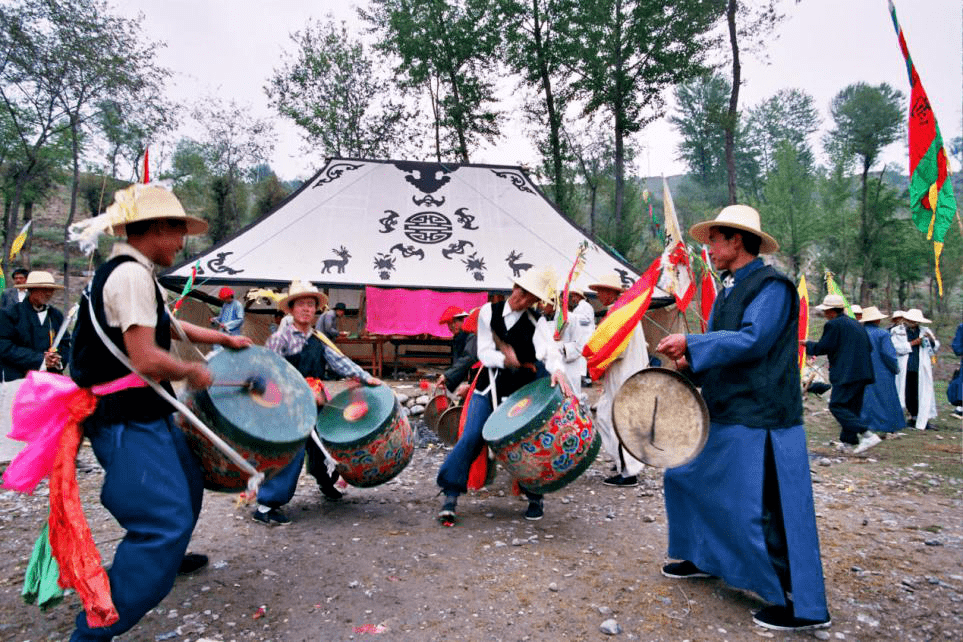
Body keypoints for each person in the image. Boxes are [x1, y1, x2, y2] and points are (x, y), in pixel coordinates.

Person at [68, 183, 252, 641]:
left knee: (188, 485)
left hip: (144, 410)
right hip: (125, 415)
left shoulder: (137, 272)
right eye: (177, 232)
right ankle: (93, 630)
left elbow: (169, 324)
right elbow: (147, 357)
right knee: (162, 522)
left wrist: (223, 339)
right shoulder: (128, 275)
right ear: (156, 228)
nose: (181, 243)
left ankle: (167, 555)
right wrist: (192, 370)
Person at [656, 204, 830, 632]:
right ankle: (704, 557)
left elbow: (753, 340)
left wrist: (693, 343)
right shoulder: (729, 289)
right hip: (727, 408)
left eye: (714, 240)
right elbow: (720, 348)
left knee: (769, 507)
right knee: (686, 477)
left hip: (764, 415)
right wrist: (687, 364)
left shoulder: (774, 287)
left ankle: (803, 605)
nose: (708, 248)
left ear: (736, 241)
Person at [436, 266, 569, 523]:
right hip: (489, 386)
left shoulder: (536, 320)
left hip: (522, 392)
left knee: (528, 441)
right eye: (524, 293)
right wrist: (506, 359)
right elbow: (483, 352)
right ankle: (451, 492)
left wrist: (558, 371)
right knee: (472, 435)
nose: (525, 300)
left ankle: (534, 495)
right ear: (514, 288)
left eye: (532, 297)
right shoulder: (488, 312)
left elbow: (549, 352)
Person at [253, 281, 382, 524]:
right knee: (289, 453)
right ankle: (265, 507)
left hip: (315, 400)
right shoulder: (280, 339)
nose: (306, 309)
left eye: (311, 304)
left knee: (322, 445)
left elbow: (340, 362)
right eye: (301, 304)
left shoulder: (318, 339)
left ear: (316, 310)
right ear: (290, 309)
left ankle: (326, 484)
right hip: (287, 405)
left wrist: (366, 378)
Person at [589, 273, 648, 488]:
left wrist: (596, 357)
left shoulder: (620, 313)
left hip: (625, 372)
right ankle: (620, 459)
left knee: (620, 420)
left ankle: (629, 470)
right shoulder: (624, 311)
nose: (599, 295)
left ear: (612, 292)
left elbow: (614, 350)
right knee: (605, 414)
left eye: (602, 291)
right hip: (623, 371)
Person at [804, 294, 880, 454]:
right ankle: (848, 442)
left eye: (825, 311)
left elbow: (824, 347)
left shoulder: (833, 325)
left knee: (837, 405)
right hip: (863, 372)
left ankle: (867, 434)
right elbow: (869, 348)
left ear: (832, 311)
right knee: (852, 407)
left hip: (846, 373)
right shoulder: (856, 324)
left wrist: (808, 344)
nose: (824, 314)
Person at [0, 270, 70, 380]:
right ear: (31, 289)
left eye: (51, 290)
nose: (48, 293)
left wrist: (57, 360)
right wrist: (40, 359)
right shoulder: (10, 314)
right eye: (44, 289)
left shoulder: (55, 315)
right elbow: (5, 347)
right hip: (17, 379)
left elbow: (65, 343)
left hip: (49, 380)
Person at [858, 307, 905, 434]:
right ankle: (887, 424)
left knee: (866, 398)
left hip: (862, 371)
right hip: (881, 370)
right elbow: (888, 354)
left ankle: (865, 424)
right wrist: (895, 368)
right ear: (877, 320)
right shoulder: (883, 334)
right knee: (885, 397)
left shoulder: (858, 332)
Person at [902, 308, 939, 430]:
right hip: (907, 367)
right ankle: (912, 417)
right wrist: (914, 342)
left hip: (921, 367)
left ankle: (923, 418)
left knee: (922, 393)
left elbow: (933, 348)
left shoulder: (924, 331)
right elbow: (899, 346)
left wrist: (931, 340)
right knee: (909, 393)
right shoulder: (901, 332)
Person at [436, 305, 475, 399]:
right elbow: (459, 363)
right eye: (449, 323)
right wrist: (447, 381)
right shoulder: (459, 339)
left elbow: (467, 359)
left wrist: (447, 376)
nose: (452, 326)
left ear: (462, 321)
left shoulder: (473, 335)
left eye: (454, 322)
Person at [890, 311, 911, 410]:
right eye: (898, 318)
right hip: (896, 359)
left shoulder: (909, 330)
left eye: (902, 318)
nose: (900, 320)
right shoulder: (891, 331)